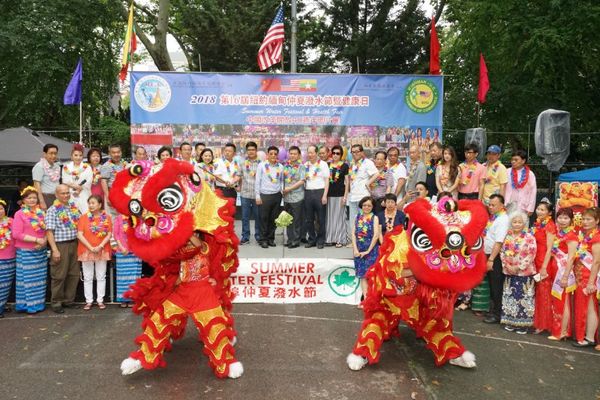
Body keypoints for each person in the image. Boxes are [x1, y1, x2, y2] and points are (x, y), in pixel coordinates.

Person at [500, 211, 537, 334]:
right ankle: (510, 321)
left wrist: (519, 267)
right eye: (514, 222)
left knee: (523, 297)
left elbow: (531, 254)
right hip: (509, 272)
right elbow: (502, 252)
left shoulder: (529, 237)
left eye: (519, 222)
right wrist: (507, 265)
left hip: (524, 273)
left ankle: (523, 325)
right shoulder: (508, 236)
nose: (517, 224)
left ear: (524, 223)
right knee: (510, 297)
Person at [45, 184, 81, 314]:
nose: (66, 195)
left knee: (74, 274)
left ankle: (69, 300)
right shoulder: (52, 210)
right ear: (56, 195)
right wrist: (54, 250)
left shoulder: (73, 207)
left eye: (67, 193)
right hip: (60, 245)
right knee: (59, 275)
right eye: (63, 193)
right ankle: (56, 302)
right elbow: (49, 232)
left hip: (74, 244)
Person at [12, 186, 47, 314]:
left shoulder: (41, 213)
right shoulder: (19, 214)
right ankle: (27, 306)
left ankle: (38, 304)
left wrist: (43, 241)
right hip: (25, 252)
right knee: (27, 280)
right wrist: (36, 240)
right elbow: (16, 234)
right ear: (23, 200)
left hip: (40, 251)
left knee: (39, 280)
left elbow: (46, 230)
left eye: (34, 198)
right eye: (29, 198)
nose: (32, 200)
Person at [568, 208, 600, 347]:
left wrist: (591, 282)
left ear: (597, 221)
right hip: (581, 276)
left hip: (589, 277)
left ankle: (589, 338)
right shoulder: (585, 235)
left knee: (590, 306)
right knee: (583, 306)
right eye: (584, 219)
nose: (585, 222)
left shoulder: (597, 237)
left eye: (589, 219)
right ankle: (584, 335)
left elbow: (596, 261)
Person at [77, 195, 112, 311]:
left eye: (93, 203)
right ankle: (89, 301)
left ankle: (100, 300)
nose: (91, 205)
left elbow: (109, 234)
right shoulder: (83, 217)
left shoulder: (107, 217)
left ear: (100, 204)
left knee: (101, 276)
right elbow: (79, 234)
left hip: (102, 250)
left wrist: (100, 246)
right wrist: (91, 247)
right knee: (88, 277)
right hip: (86, 250)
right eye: (89, 203)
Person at [550, 207, 578, 341]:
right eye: (560, 217)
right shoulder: (559, 234)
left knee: (564, 301)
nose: (562, 220)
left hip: (564, 272)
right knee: (558, 302)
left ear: (571, 220)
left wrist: (565, 276)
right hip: (556, 270)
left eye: (566, 218)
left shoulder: (571, 236)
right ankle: (559, 330)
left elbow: (571, 257)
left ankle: (563, 331)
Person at [481, 194, 510, 324]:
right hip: (488, 254)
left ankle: (497, 314)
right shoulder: (493, 217)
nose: (490, 207)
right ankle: (493, 310)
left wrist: (491, 259)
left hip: (495, 256)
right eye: (490, 204)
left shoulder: (503, 219)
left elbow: (499, 242)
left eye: (494, 205)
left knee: (496, 285)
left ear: (502, 205)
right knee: (491, 284)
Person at [531, 200, 557, 334]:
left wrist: (544, 267)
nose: (539, 211)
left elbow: (550, 249)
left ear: (549, 213)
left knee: (544, 292)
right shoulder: (537, 223)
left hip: (544, 261)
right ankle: (538, 321)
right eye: (538, 209)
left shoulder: (550, 226)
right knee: (538, 291)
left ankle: (544, 324)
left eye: (543, 210)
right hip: (535, 259)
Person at [352, 196, 380, 304]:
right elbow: (353, 234)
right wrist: (355, 249)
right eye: (364, 205)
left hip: (371, 250)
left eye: (369, 205)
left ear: (372, 207)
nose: (366, 207)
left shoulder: (375, 218)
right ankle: (366, 300)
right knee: (362, 276)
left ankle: (373, 299)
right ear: (361, 206)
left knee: (371, 275)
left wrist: (368, 251)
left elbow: (376, 235)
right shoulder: (357, 216)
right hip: (359, 250)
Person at [255, 146, 283, 248]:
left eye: (275, 154)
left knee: (274, 219)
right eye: (271, 154)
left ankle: (271, 239)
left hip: (277, 195)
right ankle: (263, 239)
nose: (273, 155)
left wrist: (282, 192)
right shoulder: (261, 166)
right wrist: (257, 196)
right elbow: (257, 181)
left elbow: (281, 181)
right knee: (264, 218)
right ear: (267, 155)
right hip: (265, 195)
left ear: (277, 155)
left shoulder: (280, 167)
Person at [347, 145, 378, 236]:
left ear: (362, 152)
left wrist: (368, 183)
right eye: (353, 152)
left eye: (357, 151)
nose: (355, 154)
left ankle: (364, 239)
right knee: (353, 220)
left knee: (364, 220)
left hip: (363, 196)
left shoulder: (367, 162)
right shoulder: (352, 164)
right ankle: (354, 239)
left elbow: (376, 174)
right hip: (353, 196)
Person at [113, 214, 142, 308]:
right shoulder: (118, 218)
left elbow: (140, 234)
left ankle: (133, 298)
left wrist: (132, 247)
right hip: (122, 252)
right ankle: (123, 298)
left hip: (134, 251)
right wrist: (121, 247)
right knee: (122, 276)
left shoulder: (137, 218)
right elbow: (116, 234)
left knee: (134, 276)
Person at [304, 145, 330, 249]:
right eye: (308, 152)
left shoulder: (323, 164)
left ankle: (320, 240)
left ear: (316, 153)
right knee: (309, 219)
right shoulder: (305, 165)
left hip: (320, 192)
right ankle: (312, 239)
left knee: (321, 218)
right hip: (308, 192)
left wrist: (325, 195)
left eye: (312, 152)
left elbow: (327, 180)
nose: (310, 155)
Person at [326, 145, 349, 248]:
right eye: (333, 153)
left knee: (340, 217)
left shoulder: (344, 166)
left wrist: (345, 196)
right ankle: (330, 238)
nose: (335, 155)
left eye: (338, 153)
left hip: (340, 195)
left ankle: (339, 239)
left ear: (341, 155)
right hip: (329, 195)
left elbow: (347, 182)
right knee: (330, 217)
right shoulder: (327, 165)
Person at [282, 146, 306, 249]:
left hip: (297, 197)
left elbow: (302, 181)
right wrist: (282, 190)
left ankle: (296, 240)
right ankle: (289, 239)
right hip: (287, 197)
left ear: (299, 155)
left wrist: (289, 189)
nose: (292, 155)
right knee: (288, 220)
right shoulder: (285, 167)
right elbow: (281, 180)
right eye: (291, 153)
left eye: (295, 154)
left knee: (297, 220)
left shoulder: (302, 167)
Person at [239, 142, 262, 245]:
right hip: (245, 194)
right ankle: (245, 237)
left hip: (258, 195)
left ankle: (258, 236)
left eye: (253, 150)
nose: (251, 152)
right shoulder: (242, 163)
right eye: (249, 150)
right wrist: (234, 184)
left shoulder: (262, 164)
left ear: (256, 151)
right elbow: (239, 176)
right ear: (246, 151)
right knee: (245, 217)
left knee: (258, 217)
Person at [61, 143, 93, 213]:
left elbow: (88, 181)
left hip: (84, 194)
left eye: (80, 155)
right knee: (71, 214)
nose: (78, 157)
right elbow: (65, 181)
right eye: (76, 155)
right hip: (70, 194)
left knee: (85, 213)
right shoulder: (66, 167)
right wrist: (77, 187)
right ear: (71, 156)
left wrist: (79, 188)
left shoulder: (87, 167)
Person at [505, 149, 537, 216]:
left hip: (523, 206)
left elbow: (533, 192)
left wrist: (530, 208)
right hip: (508, 204)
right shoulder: (507, 172)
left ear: (523, 161)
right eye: (512, 159)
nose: (513, 161)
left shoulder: (530, 174)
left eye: (516, 160)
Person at [100, 144, 127, 217]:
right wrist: (108, 197)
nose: (116, 154)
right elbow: (103, 181)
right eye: (114, 152)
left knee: (124, 217)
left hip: (124, 195)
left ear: (121, 152)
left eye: (118, 152)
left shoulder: (125, 164)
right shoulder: (106, 166)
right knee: (113, 218)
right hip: (112, 195)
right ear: (109, 154)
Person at [32, 143, 60, 210]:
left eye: (55, 153)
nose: (53, 156)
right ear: (45, 154)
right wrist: (41, 201)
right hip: (45, 197)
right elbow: (36, 184)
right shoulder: (39, 166)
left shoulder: (57, 166)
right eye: (51, 153)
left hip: (57, 197)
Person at [0, 198, 16, 318]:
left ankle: (2, 304)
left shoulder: (11, 221)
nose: (0, 211)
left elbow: (17, 235)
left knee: (6, 285)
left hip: (11, 257)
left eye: (1, 209)